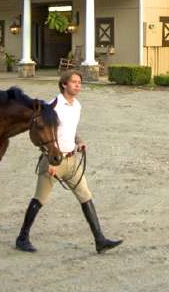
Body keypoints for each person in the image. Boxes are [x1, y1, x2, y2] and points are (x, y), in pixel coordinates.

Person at [15, 70, 122, 254]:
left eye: (79, 82)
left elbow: (70, 130)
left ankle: (99, 240)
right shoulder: (51, 107)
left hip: (72, 160)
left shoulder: (77, 106)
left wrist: (79, 141)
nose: (78, 85)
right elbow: (43, 135)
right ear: (64, 84)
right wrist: (49, 161)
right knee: (39, 199)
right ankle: (22, 238)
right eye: (74, 82)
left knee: (86, 197)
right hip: (53, 162)